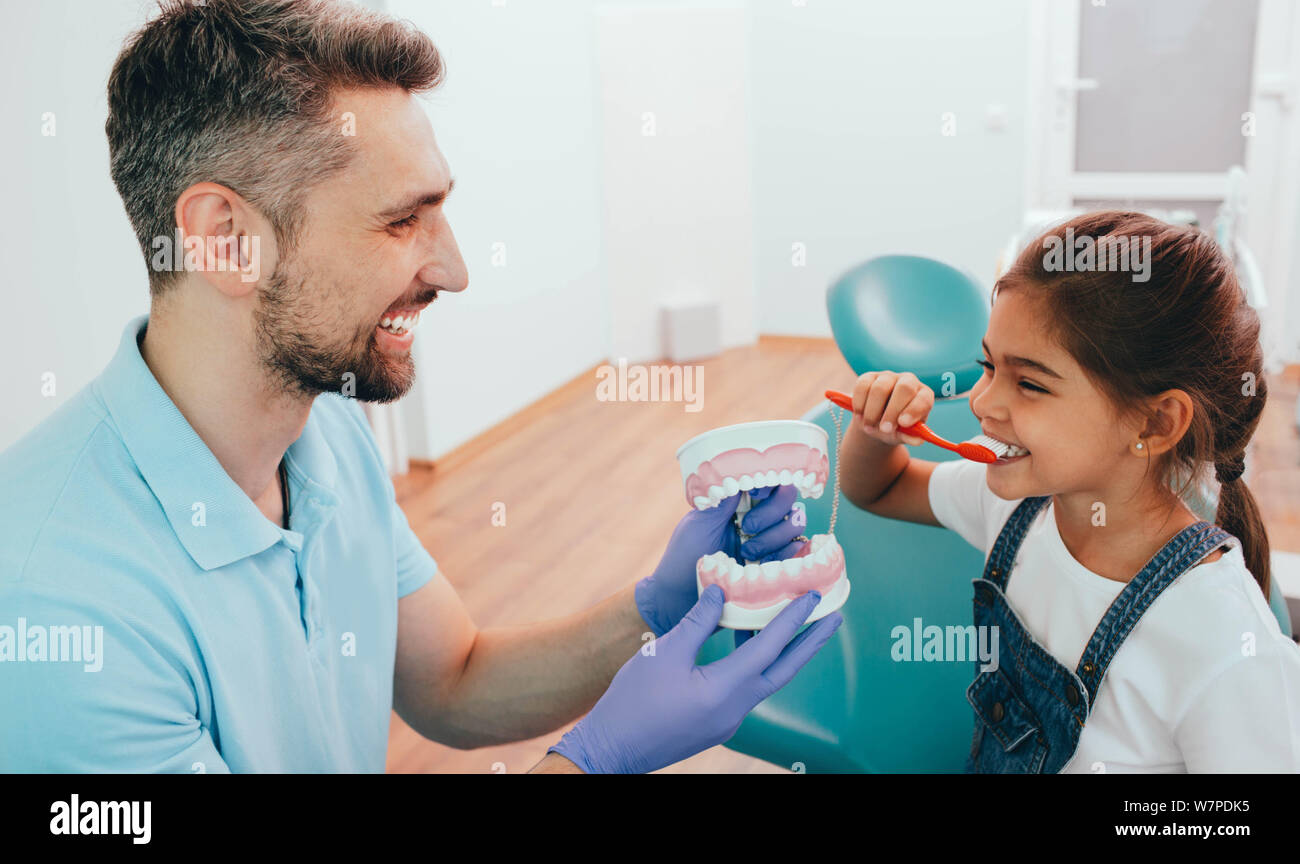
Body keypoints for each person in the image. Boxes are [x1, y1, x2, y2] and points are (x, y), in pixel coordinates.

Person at [0, 0, 840, 774]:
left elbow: (455, 681)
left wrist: (654, 611)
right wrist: (593, 761)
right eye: (403, 220)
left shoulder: (324, 433)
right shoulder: (65, 618)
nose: (456, 270)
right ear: (225, 241)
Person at [838, 210, 1300, 772]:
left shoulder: (1222, 636)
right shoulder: (1015, 507)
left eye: (1029, 383)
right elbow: (878, 488)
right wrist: (874, 433)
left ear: (1154, 425)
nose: (983, 403)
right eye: (988, 365)